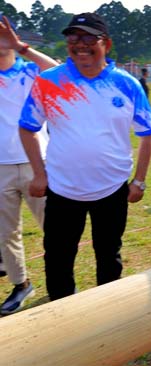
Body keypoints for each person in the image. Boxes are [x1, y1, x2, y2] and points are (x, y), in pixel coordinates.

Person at [18, 13, 151, 301]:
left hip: (112, 189)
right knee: (58, 258)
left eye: (88, 38)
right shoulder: (48, 82)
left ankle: (105, 312)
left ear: (105, 43)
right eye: (73, 37)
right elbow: (27, 128)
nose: (80, 44)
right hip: (62, 188)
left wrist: (140, 181)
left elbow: (148, 133)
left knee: (108, 254)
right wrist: (40, 173)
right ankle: (62, 314)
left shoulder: (126, 84)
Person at [0, 14, 57, 315]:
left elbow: (60, 71)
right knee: (6, 233)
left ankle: (61, 283)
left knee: (54, 229)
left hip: (39, 162)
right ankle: (21, 284)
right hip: (0, 168)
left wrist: (20, 47)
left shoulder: (31, 71)